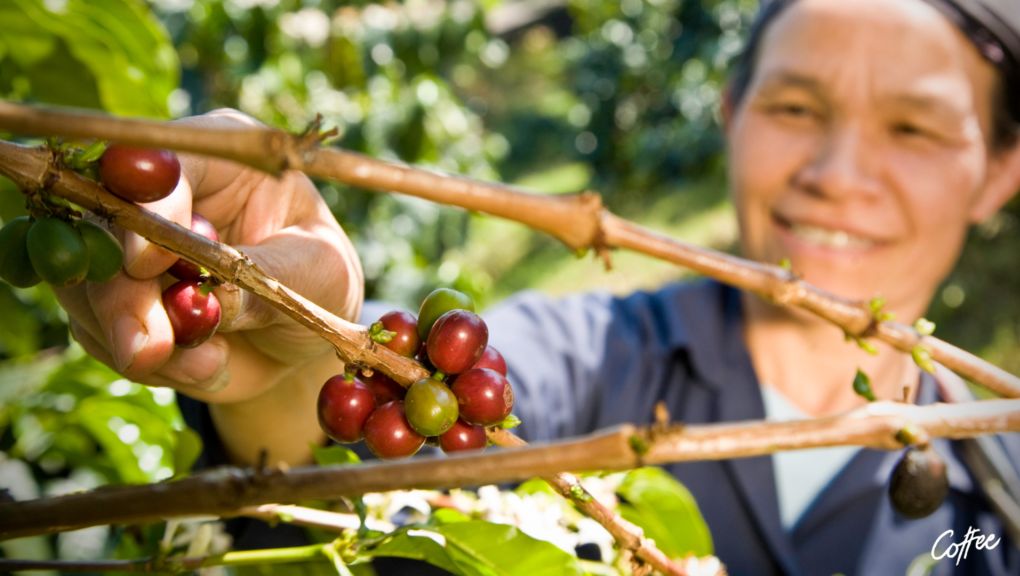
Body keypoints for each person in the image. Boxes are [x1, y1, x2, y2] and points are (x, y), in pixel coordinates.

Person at [56, 0, 1020, 573]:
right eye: (797, 106)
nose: (839, 172)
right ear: (730, 115)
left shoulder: (996, 501)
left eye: (915, 127)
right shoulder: (591, 363)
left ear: (1000, 171)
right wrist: (282, 370)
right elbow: (361, 459)